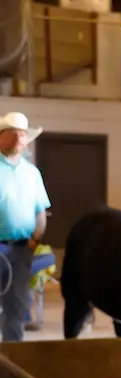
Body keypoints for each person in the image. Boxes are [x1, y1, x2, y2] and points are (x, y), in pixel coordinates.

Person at [0, 112, 51, 343]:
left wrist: (34, 242)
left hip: (21, 251)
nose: (19, 139)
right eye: (13, 134)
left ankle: (10, 366)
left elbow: (40, 212)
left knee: (16, 309)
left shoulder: (32, 173)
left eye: (22, 135)